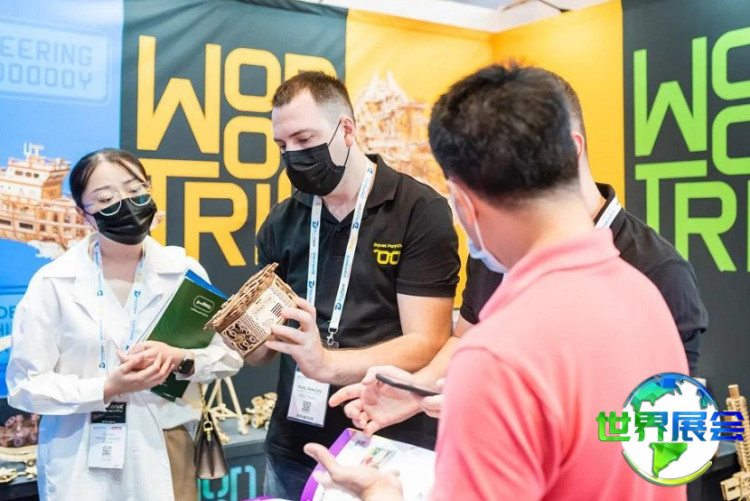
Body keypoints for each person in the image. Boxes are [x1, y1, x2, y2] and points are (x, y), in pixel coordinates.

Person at [304, 63, 689, 500]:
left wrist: (381, 494)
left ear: (464, 204)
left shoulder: (497, 358)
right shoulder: (646, 296)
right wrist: (425, 390)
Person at [245, 71, 460, 500]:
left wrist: (325, 362)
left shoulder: (419, 211)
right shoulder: (282, 221)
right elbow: (260, 354)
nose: (293, 156)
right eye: (283, 146)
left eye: (305, 139)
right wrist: (245, 333)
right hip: (292, 449)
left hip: (385, 446)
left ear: (346, 130)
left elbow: (427, 341)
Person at [6, 148, 243, 501]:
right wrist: (105, 387)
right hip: (79, 452)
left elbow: (229, 355)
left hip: (165, 443)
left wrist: (182, 358)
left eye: (135, 190)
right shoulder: (53, 282)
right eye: (106, 199)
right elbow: (25, 385)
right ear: (83, 214)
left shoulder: (183, 271)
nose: (126, 205)